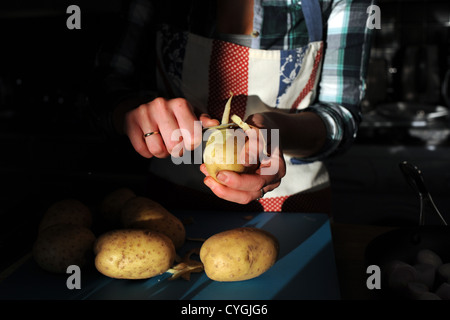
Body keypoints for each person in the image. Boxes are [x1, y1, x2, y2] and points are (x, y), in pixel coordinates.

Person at [90, 0, 375, 215]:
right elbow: (102, 89)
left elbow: (342, 119)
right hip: (169, 209)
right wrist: (128, 113)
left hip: (292, 210)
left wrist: (273, 132)